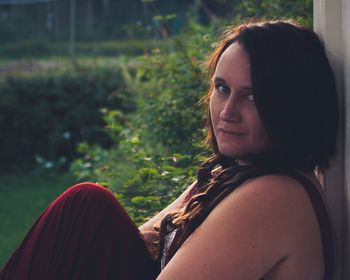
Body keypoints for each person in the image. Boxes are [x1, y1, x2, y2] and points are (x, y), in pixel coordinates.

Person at [0, 20, 338, 280]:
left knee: (86, 204)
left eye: (252, 96)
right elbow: (147, 237)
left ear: (292, 106)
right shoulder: (232, 174)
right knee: (87, 208)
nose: (226, 111)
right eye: (221, 88)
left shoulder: (275, 194)